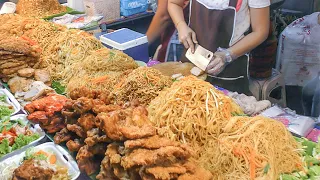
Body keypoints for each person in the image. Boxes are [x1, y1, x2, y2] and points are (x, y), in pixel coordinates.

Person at [168, 0, 270, 94]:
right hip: (191, 65)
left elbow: (260, 31)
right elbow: (174, 3)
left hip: (230, 74)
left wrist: (227, 55)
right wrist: (181, 25)